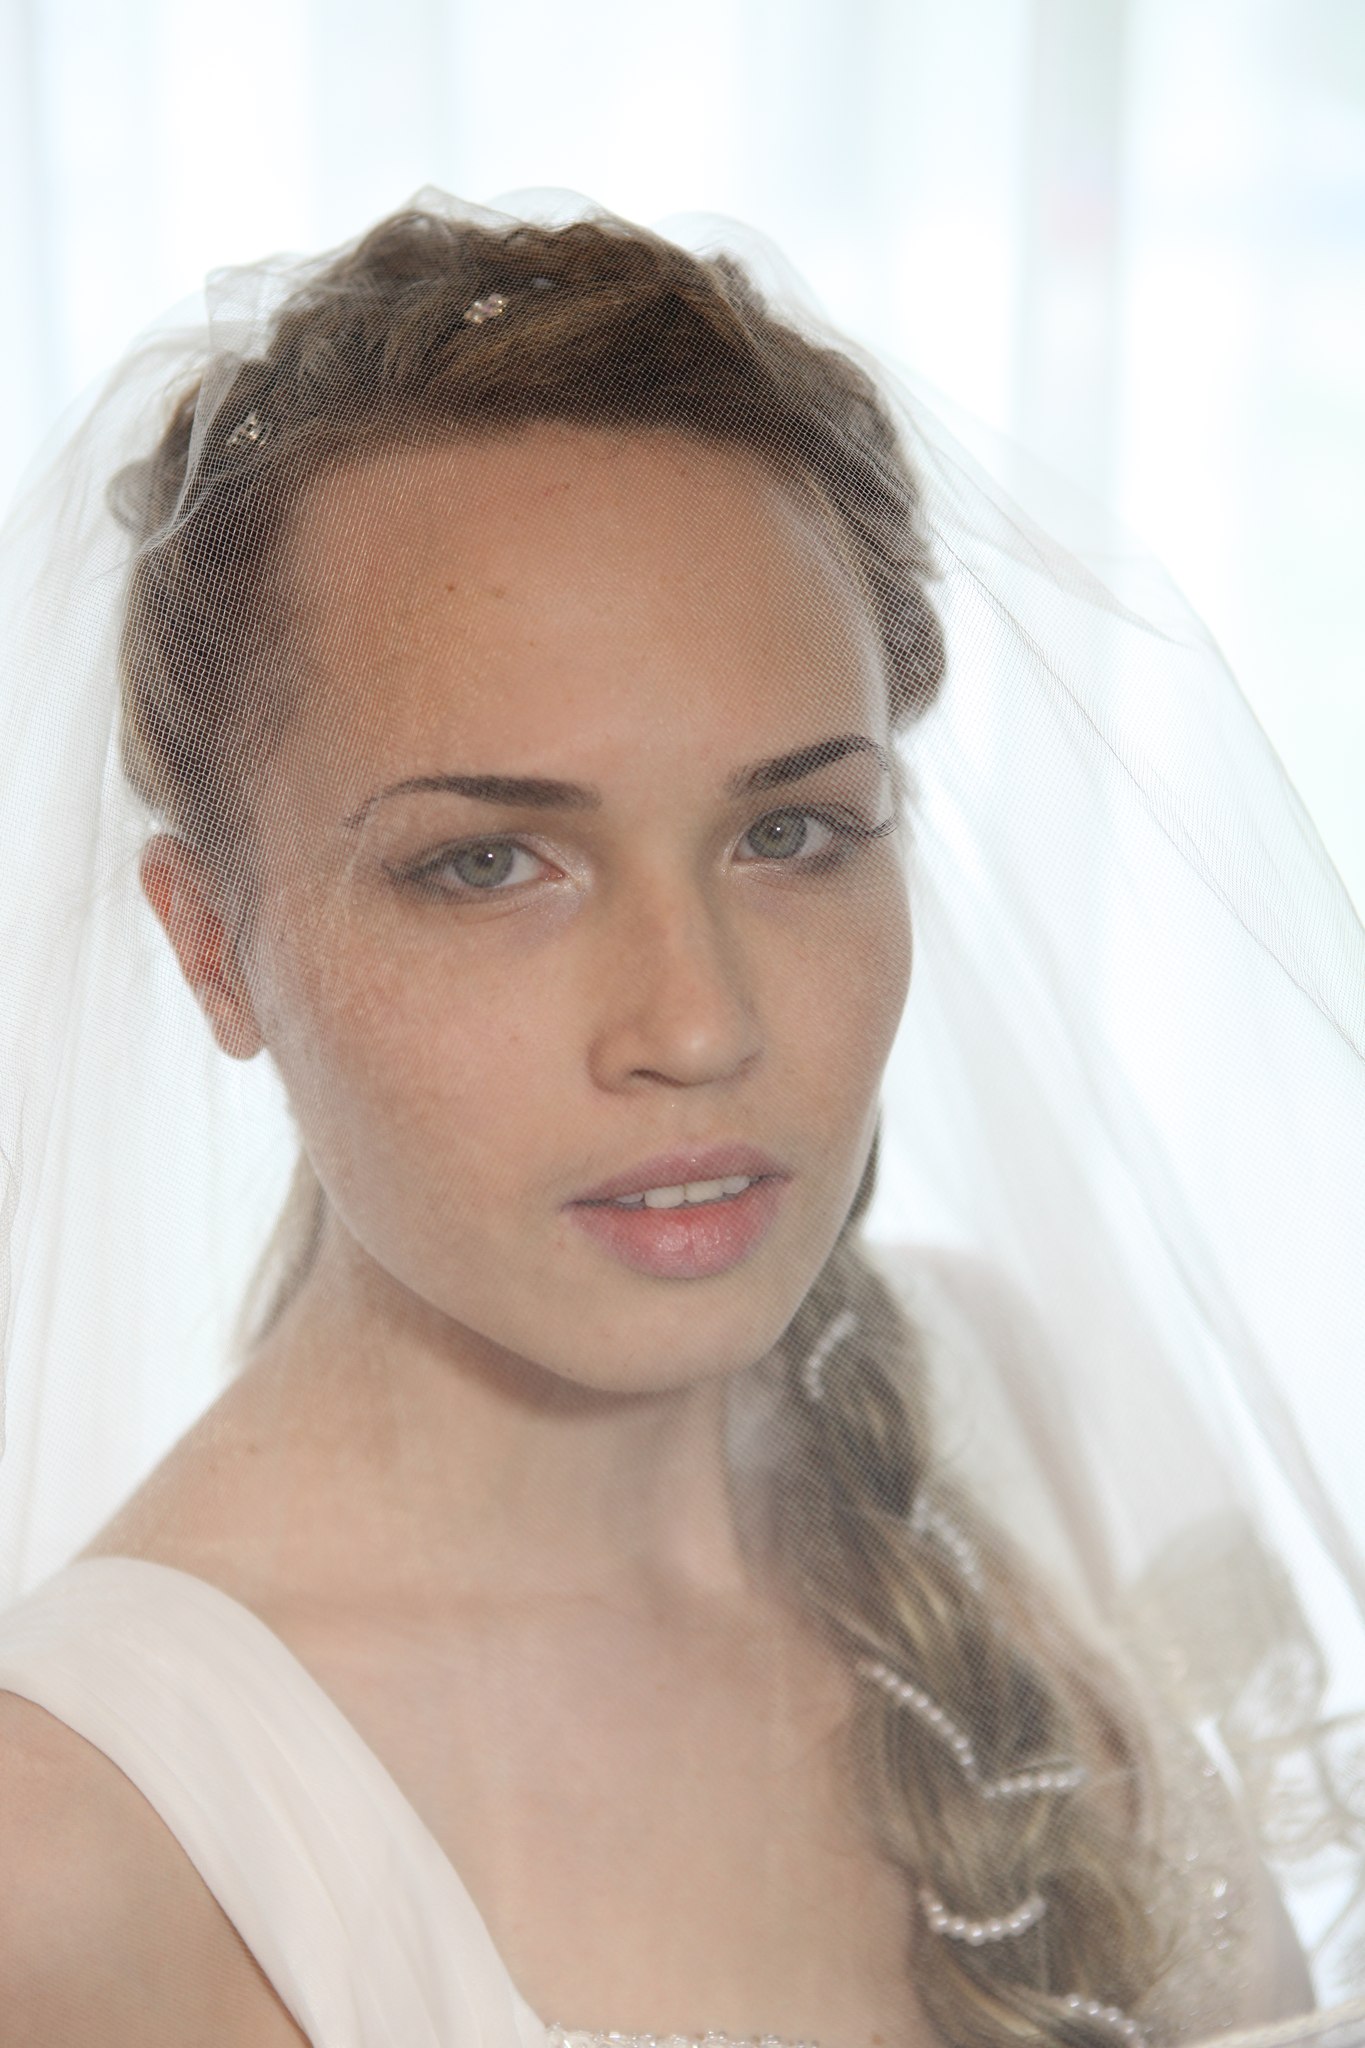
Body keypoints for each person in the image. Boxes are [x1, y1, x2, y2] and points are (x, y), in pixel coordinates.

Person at [0, 191, 1361, 2048]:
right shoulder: (74, 1855)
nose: (700, 1025)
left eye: (790, 832)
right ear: (211, 948)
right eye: (489, 863)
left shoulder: (1010, 1407)